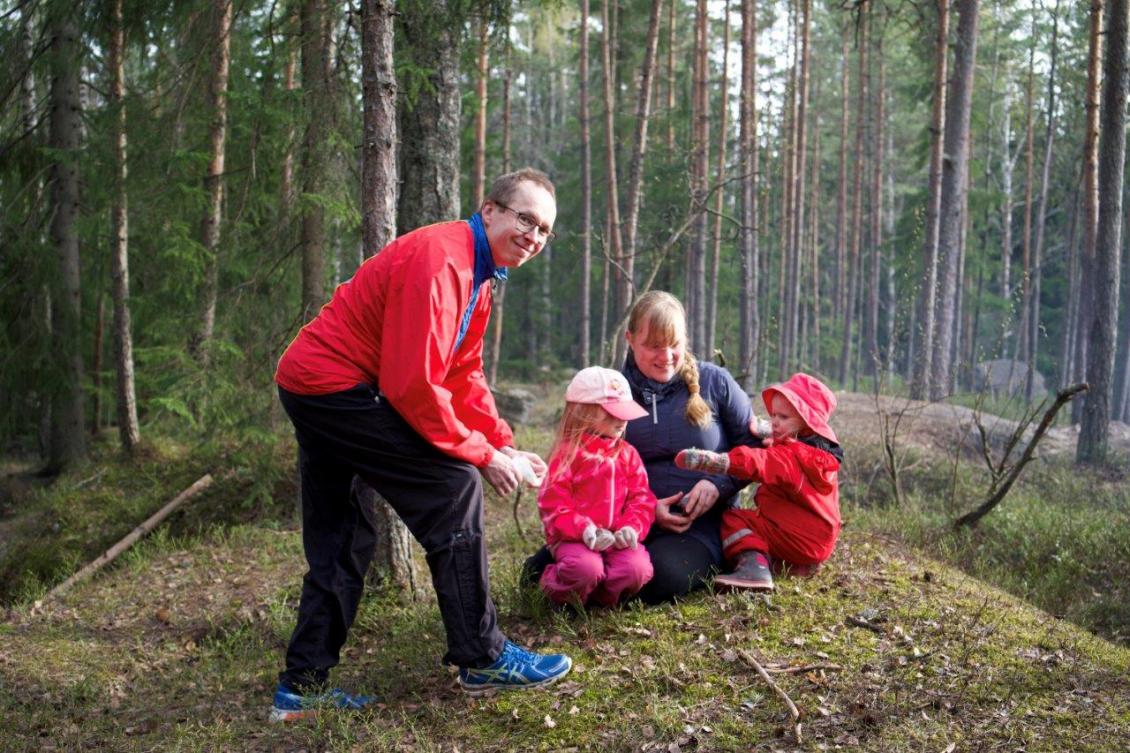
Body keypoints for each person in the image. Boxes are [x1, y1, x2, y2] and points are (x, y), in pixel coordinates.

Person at [270, 168, 572, 720]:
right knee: (453, 488)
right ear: (491, 210)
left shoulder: (482, 276)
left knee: (344, 537)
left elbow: (462, 373)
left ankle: (301, 688)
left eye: (544, 230)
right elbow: (411, 385)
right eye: (525, 219)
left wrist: (501, 441)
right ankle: (483, 656)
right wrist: (480, 456)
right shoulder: (444, 260)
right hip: (332, 387)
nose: (533, 236)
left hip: (316, 386)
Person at [523, 291, 762, 603]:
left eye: (674, 344)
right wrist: (647, 512)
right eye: (653, 345)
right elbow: (578, 459)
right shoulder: (611, 391)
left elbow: (755, 446)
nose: (666, 356)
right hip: (618, 523)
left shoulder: (714, 381)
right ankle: (586, 582)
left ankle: (595, 590)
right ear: (630, 339)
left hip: (698, 527)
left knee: (659, 577)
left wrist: (718, 483)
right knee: (533, 574)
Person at [675, 372, 843, 592]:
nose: (774, 422)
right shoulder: (819, 455)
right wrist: (771, 432)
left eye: (783, 418)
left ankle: (754, 570)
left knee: (736, 520)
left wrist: (718, 462)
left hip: (799, 538)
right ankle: (796, 566)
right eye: (773, 415)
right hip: (819, 539)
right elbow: (785, 450)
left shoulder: (788, 458)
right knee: (776, 519)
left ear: (806, 425)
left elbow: (759, 461)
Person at [537, 367, 680, 607]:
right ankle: (556, 596)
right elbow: (553, 504)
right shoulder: (568, 455)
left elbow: (641, 499)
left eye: (623, 413)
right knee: (585, 568)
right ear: (583, 412)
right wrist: (584, 530)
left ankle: (600, 603)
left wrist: (631, 529)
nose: (621, 420)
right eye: (611, 414)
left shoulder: (628, 454)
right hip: (575, 539)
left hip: (616, 539)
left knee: (636, 569)